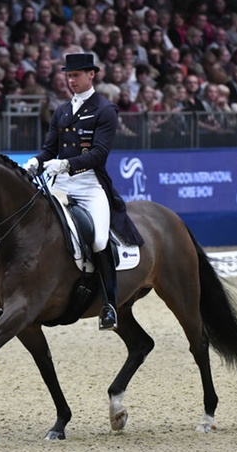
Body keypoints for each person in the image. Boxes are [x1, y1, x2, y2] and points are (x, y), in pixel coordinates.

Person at [22, 53, 143, 331]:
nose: (71, 80)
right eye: (68, 75)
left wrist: (66, 164)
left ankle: (109, 305)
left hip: (89, 185)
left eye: (76, 75)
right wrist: (36, 162)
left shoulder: (105, 109)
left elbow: (99, 154)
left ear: (91, 75)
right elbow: (49, 148)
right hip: (60, 184)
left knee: (99, 241)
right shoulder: (62, 110)